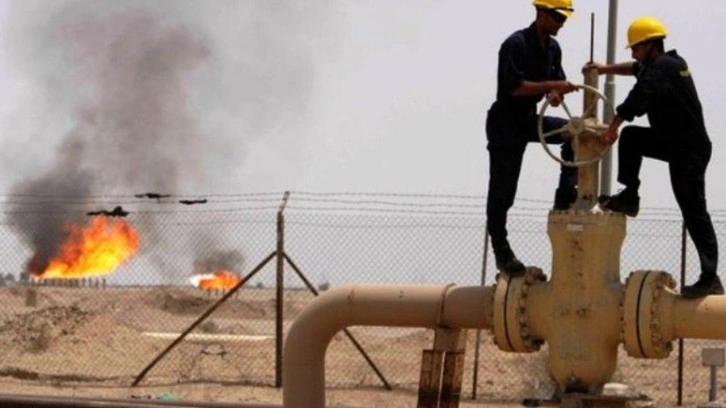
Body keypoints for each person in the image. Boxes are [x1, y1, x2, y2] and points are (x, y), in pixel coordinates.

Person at [585, 16, 722, 298]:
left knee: (693, 210)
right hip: (673, 143)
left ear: (651, 45)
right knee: (633, 138)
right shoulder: (662, 65)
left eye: (636, 48)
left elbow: (637, 98)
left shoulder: (664, 68)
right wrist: (605, 68)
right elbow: (635, 69)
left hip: (689, 150)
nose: (634, 53)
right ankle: (630, 196)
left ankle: (710, 277)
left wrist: (612, 128)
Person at [486, 0, 579, 276]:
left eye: (564, 19)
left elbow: (554, 93)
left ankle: (565, 197)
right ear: (540, 13)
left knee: (576, 133)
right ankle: (502, 251)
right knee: (503, 192)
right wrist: (552, 85)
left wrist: (557, 94)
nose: (561, 24)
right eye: (557, 17)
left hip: (530, 120)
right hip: (505, 123)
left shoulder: (553, 49)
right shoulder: (515, 45)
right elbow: (514, 88)